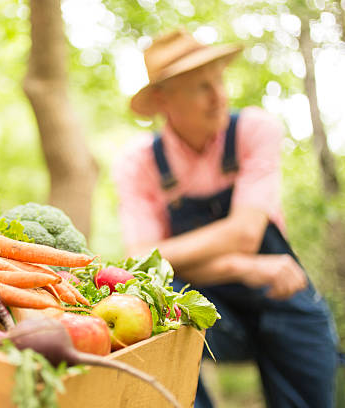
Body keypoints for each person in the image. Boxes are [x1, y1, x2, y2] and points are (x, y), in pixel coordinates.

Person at [113, 29, 339, 407]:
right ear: (163, 99)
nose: (220, 97)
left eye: (219, 80)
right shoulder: (140, 163)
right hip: (209, 308)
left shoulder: (254, 129)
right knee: (154, 312)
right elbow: (141, 260)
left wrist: (195, 253)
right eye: (202, 86)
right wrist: (242, 266)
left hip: (283, 295)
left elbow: (246, 234)